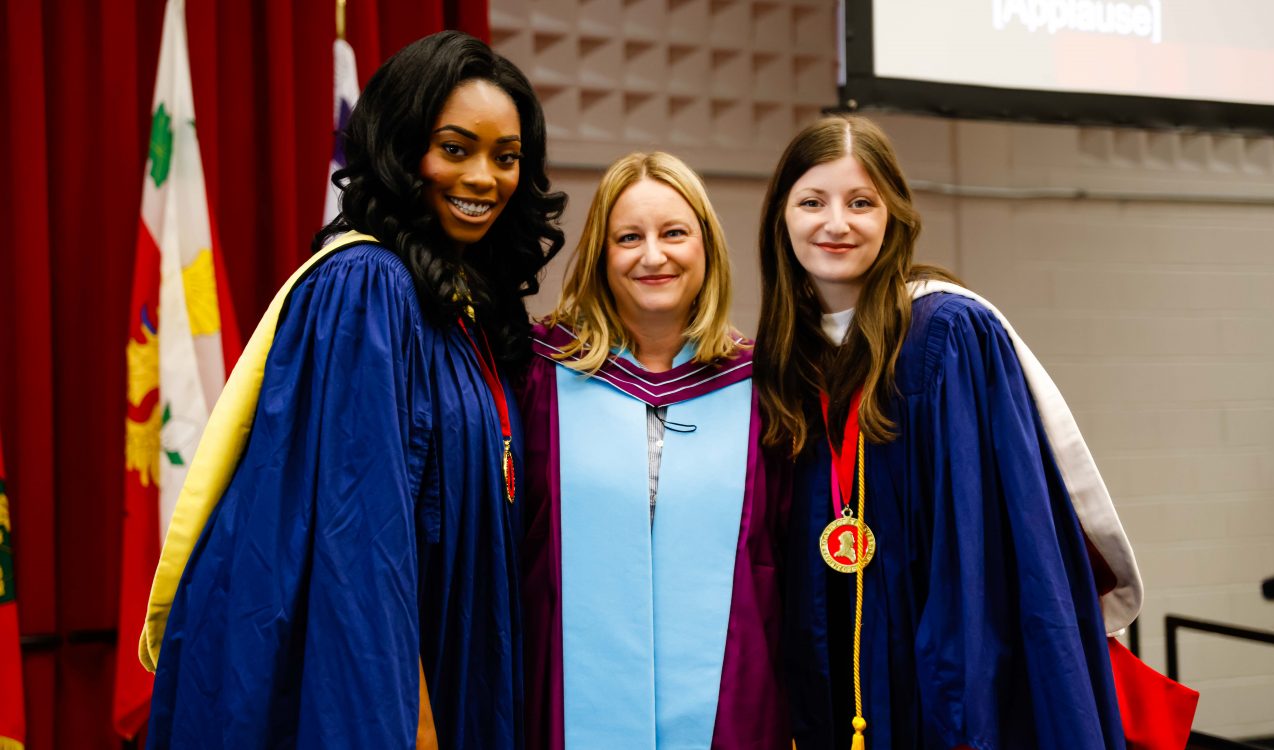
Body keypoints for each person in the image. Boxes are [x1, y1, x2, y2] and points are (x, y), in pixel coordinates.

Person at [138, 31, 565, 748]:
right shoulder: (367, 287)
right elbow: (360, 541)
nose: (485, 177)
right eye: (455, 149)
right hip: (377, 693)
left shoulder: (462, 311)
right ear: (402, 150)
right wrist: (413, 724)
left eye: (506, 156)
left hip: (441, 670)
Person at [754, 115, 1147, 749]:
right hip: (828, 680)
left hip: (933, 686)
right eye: (812, 201)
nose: (836, 223)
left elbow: (977, 548)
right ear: (782, 218)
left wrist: (959, 708)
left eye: (861, 202)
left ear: (894, 217)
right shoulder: (784, 362)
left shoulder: (946, 334)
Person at [519, 152, 790, 749]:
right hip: (569, 703)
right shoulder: (538, 374)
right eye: (628, 237)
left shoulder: (764, 386)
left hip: (730, 707)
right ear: (600, 253)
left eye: (674, 233)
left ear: (706, 247)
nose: (653, 255)